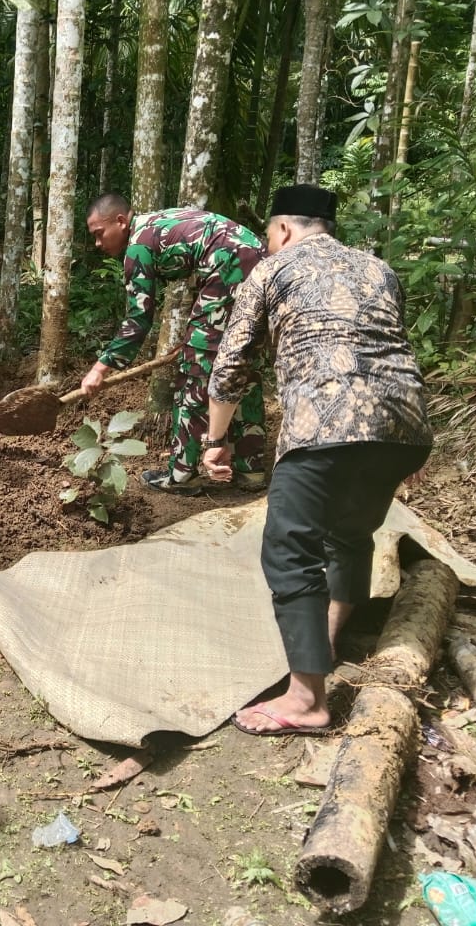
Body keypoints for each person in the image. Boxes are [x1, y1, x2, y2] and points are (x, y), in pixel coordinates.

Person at [203, 184, 433, 736]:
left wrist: (216, 439)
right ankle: (326, 639)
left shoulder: (271, 270)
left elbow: (233, 362)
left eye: (267, 235)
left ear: (281, 230)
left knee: (289, 548)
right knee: (349, 534)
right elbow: (386, 344)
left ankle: (307, 698)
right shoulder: (379, 269)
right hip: (406, 425)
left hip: (326, 424)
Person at [81, 194, 267, 495]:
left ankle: (182, 474)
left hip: (230, 267)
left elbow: (138, 319)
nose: (98, 244)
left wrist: (100, 369)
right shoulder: (159, 223)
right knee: (240, 368)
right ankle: (252, 468)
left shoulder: (138, 245)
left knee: (195, 373)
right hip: (258, 263)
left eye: (99, 234)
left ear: (120, 221)